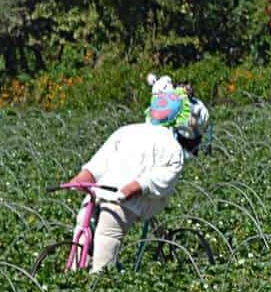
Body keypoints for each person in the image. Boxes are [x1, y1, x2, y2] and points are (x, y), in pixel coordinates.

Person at [67, 88, 190, 273]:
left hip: (120, 195)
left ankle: (90, 275)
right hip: (110, 192)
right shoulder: (161, 141)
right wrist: (86, 175)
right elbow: (103, 160)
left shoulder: (135, 133)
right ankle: (85, 274)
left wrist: (138, 186)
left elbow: (163, 175)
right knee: (94, 227)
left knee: (101, 230)